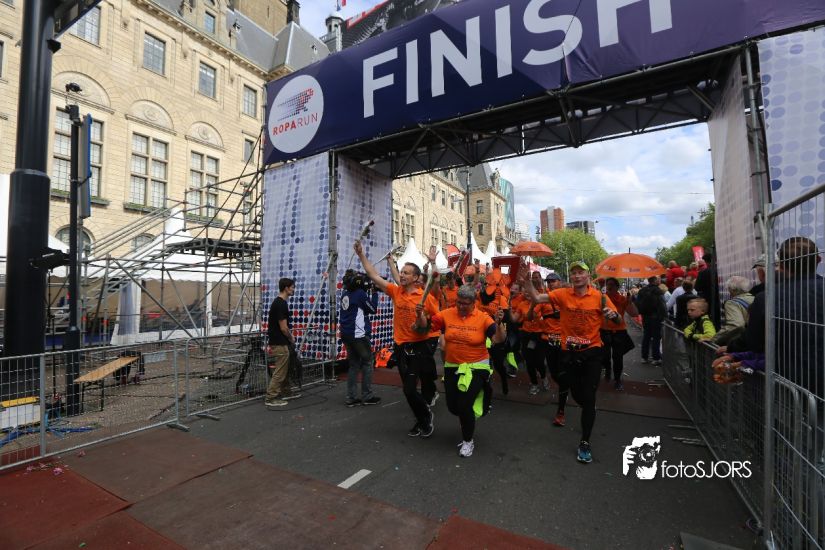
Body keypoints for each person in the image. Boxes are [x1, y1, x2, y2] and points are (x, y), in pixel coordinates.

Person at [523, 261, 620, 464]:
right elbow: (537, 298)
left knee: (589, 398)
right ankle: (587, 407)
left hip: (592, 352)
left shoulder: (599, 297)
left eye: (580, 272)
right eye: (574, 273)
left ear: (588, 276)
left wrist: (614, 315)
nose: (576, 276)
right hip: (569, 353)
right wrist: (527, 282)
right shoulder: (562, 294)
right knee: (576, 393)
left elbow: (618, 321)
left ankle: (585, 442)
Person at [355, 240, 440, 438]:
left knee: (410, 389)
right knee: (408, 390)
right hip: (400, 347)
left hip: (418, 347)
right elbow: (373, 275)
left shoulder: (425, 298)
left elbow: (437, 321)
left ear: (416, 278)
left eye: (406, 273)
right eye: (401, 272)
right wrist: (361, 255)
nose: (401, 275)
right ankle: (422, 418)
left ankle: (425, 415)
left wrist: (422, 320)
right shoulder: (396, 292)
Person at [415, 285, 506, 457]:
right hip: (453, 365)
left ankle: (468, 441)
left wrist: (499, 324)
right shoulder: (447, 314)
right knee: (453, 407)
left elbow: (498, 339)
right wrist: (420, 315)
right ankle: (468, 415)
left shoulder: (483, 318)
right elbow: (423, 328)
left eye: (465, 303)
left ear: (474, 303)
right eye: (459, 302)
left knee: (464, 405)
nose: (461, 306)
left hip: (476, 366)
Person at [339, 270, 381, 407]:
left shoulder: (345, 293)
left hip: (346, 333)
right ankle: (367, 396)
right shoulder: (359, 294)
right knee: (368, 363)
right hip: (358, 335)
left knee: (354, 365)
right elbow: (372, 309)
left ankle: (351, 397)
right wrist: (374, 293)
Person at [511, 271, 551, 395]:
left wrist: (534, 308)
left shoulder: (540, 302)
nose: (528, 294)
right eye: (526, 292)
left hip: (539, 335)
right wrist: (507, 308)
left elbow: (534, 316)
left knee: (539, 361)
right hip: (526, 335)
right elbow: (514, 319)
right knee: (529, 362)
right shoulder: (521, 304)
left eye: (530, 292)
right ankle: (534, 384)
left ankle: (543, 377)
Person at [265, 277, 302, 408]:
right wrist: (291, 338)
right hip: (279, 342)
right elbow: (283, 327)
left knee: (284, 369)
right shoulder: (281, 304)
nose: (293, 289)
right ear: (286, 288)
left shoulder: (279, 303)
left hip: (280, 342)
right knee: (280, 371)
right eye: (292, 287)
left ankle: (285, 391)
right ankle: (271, 397)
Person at [601, 277, 638, 390]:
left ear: (617, 287)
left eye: (612, 284)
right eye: (608, 284)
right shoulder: (601, 298)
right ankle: (608, 369)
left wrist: (630, 302)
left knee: (617, 357)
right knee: (605, 356)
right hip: (604, 331)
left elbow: (634, 314)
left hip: (619, 332)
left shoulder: (622, 299)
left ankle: (617, 379)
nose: (609, 286)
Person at [712, 276, 754, 346]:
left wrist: (713, 340)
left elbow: (735, 325)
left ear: (732, 289)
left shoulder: (732, 303)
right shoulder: (755, 298)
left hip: (743, 343)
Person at [635, 276, 666, 365]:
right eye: (658, 279)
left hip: (645, 316)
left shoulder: (642, 291)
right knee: (656, 337)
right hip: (656, 317)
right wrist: (664, 316)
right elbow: (662, 305)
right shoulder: (658, 291)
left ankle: (644, 357)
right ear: (655, 281)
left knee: (646, 336)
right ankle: (656, 358)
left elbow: (637, 303)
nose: (659, 280)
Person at [694, 253, 720, 327]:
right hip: (719, 298)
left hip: (707, 299)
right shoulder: (720, 270)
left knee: (707, 321)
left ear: (706, 261)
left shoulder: (703, 273)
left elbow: (697, 287)